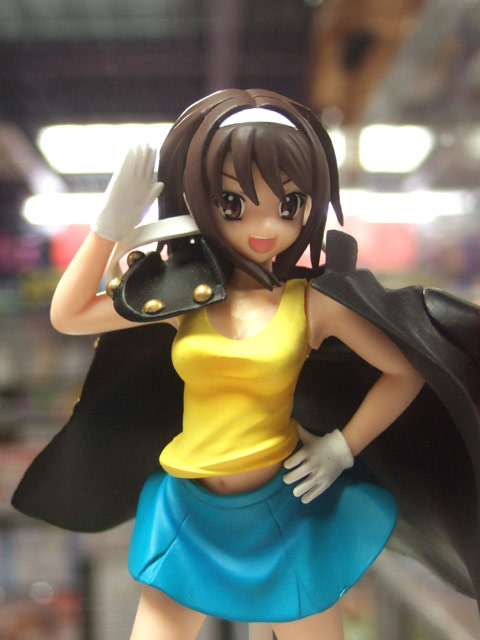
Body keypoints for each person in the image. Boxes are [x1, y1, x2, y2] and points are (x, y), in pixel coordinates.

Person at [12, 89, 480, 639]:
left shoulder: (312, 304)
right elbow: (69, 315)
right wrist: (109, 225)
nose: (265, 226)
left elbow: (404, 371)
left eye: (288, 204)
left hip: (285, 511)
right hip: (191, 512)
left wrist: (342, 447)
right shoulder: (186, 296)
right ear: (202, 203)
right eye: (234, 204)